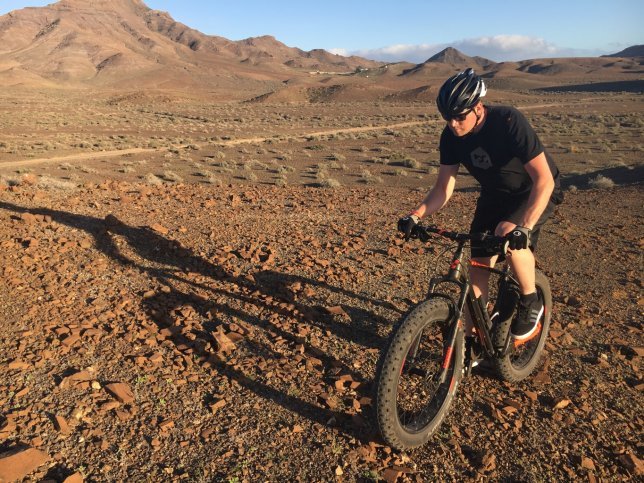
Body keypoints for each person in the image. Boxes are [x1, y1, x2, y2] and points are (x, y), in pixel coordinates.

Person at [398, 67, 563, 341]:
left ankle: (531, 299)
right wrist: (416, 215)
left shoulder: (508, 120)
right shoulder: (450, 136)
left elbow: (544, 180)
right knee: (478, 264)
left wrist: (524, 226)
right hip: (494, 194)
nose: (453, 124)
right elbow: (443, 187)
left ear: (478, 107)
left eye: (459, 117)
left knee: (507, 234)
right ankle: (477, 337)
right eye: (447, 117)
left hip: (533, 190)